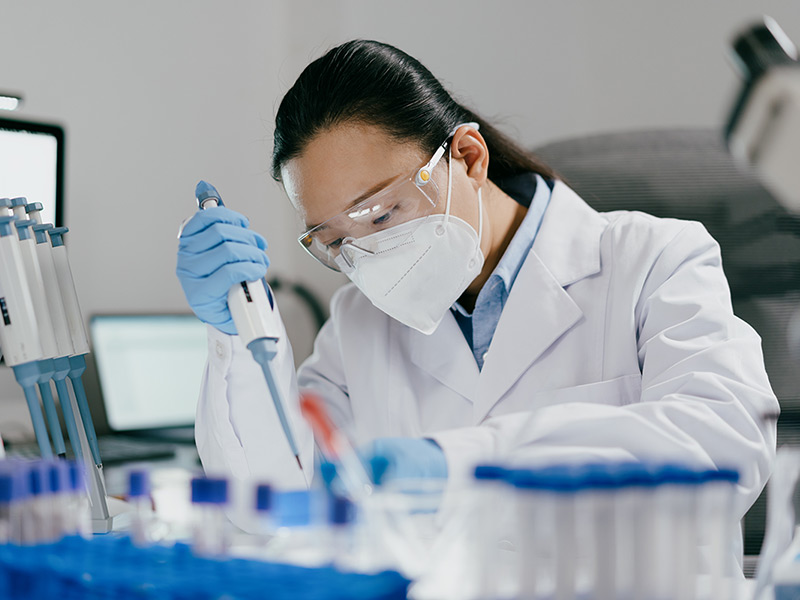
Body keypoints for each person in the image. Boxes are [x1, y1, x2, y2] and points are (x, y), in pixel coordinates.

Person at [176, 40, 777, 563]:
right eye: (335, 242)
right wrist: (236, 334)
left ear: (467, 156)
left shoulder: (654, 259)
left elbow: (722, 446)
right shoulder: (361, 322)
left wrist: (463, 464)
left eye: (383, 214)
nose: (369, 255)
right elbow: (277, 502)